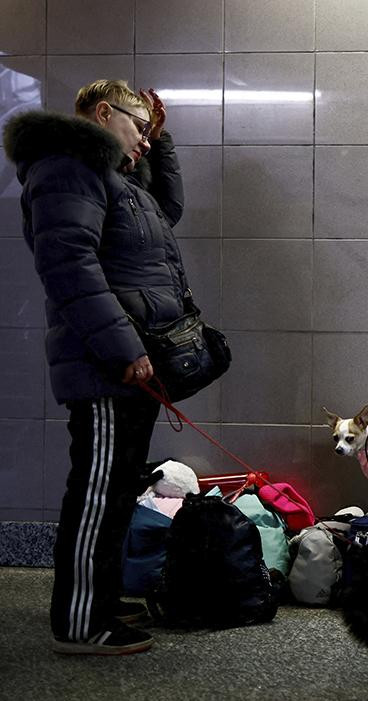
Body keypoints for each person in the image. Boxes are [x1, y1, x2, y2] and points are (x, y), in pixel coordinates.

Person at [4, 80, 194, 655]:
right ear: (103, 113)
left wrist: (158, 141)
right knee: (97, 491)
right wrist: (122, 349)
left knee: (115, 490)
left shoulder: (114, 176)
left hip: (128, 360)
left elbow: (169, 210)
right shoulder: (66, 167)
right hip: (104, 365)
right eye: (139, 127)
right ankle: (82, 621)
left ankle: (101, 598)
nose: (145, 139)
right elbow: (68, 267)